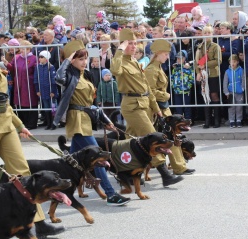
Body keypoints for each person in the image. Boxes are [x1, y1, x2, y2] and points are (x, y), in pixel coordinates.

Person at [0, 16, 64, 239]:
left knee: (23, 173)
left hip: (5, 124)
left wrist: (19, 124)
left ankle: (38, 223)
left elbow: (2, 101)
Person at [52, 40, 130, 206]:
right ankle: (110, 194)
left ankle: (59, 190)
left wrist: (106, 121)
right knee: (98, 158)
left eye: (85, 58)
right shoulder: (69, 76)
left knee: (70, 161)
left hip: (87, 118)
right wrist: (67, 59)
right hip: (77, 120)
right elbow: (58, 77)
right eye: (80, 58)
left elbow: (92, 105)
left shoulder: (84, 75)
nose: (84, 62)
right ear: (72, 60)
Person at [110, 28, 183, 186]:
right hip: (132, 105)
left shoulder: (135, 62)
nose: (134, 46)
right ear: (122, 45)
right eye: (130, 44)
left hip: (143, 103)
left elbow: (146, 88)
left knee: (129, 141)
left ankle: (127, 172)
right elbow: (115, 70)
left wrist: (155, 107)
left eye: (135, 43)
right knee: (152, 137)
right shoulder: (120, 60)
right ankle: (165, 174)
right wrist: (120, 49)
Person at [145, 40, 195, 176]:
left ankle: (179, 166)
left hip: (163, 107)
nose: (168, 57)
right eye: (165, 54)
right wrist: (165, 95)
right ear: (157, 54)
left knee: (172, 137)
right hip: (156, 108)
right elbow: (149, 91)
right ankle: (162, 167)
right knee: (160, 139)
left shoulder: (159, 67)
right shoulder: (151, 70)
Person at [3, 40, 39, 130]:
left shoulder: (34, 58)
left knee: (30, 102)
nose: (22, 50)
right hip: (18, 83)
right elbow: (12, 68)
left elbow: (36, 71)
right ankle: (22, 122)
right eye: (21, 48)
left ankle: (32, 123)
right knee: (19, 102)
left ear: (29, 49)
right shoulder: (17, 57)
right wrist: (7, 64)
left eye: (24, 48)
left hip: (29, 84)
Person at [195, 25, 222, 129]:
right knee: (205, 95)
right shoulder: (199, 47)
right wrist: (198, 72)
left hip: (213, 73)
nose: (207, 35)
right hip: (203, 74)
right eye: (205, 33)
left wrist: (205, 65)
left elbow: (218, 60)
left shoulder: (215, 46)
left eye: (209, 33)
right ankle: (207, 121)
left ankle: (217, 120)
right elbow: (196, 61)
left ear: (212, 34)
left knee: (214, 95)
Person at [34, 50, 58, 130]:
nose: (40, 58)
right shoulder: (38, 67)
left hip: (50, 90)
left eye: (42, 57)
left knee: (52, 108)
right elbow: (36, 79)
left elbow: (53, 80)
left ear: (46, 58)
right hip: (42, 90)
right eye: (39, 57)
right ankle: (48, 123)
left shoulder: (51, 67)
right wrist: (37, 90)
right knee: (46, 107)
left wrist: (53, 91)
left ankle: (53, 123)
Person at [223, 54, 245, 128]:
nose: (232, 63)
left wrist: (242, 88)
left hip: (239, 92)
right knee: (231, 107)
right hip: (231, 92)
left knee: (239, 106)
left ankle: (239, 120)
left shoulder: (241, 70)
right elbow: (225, 82)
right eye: (231, 62)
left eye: (234, 61)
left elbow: (243, 80)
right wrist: (226, 92)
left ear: (237, 62)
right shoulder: (227, 71)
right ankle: (232, 120)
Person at [171, 50, 194, 120]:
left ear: (185, 59)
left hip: (186, 91)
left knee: (187, 107)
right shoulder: (175, 68)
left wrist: (188, 86)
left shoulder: (188, 68)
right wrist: (174, 86)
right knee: (178, 107)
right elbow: (172, 78)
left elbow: (192, 78)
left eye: (181, 58)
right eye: (177, 58)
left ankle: (187, 120)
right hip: (177, 91)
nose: (178, 60)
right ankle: (180, 121)